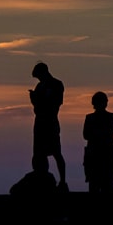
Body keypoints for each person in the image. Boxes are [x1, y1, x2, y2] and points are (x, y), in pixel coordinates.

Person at [30, 62, 67, 191]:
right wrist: (35, 99)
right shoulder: (39, 86)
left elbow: (55, 103)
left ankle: (62, 181)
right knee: (40, 154)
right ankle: (43, 181)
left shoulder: (57, 84)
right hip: (40, 122)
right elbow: (37, 107)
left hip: (50, 122)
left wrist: (38, 99)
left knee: (56, 153)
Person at [83, 91, 113, 193]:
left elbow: (87, 135)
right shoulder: (108, 117)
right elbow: (86, 135)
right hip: (99, 153)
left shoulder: (92, 118)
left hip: (101, 153)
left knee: (103, 184)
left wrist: (95, 134)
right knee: (98, 184)